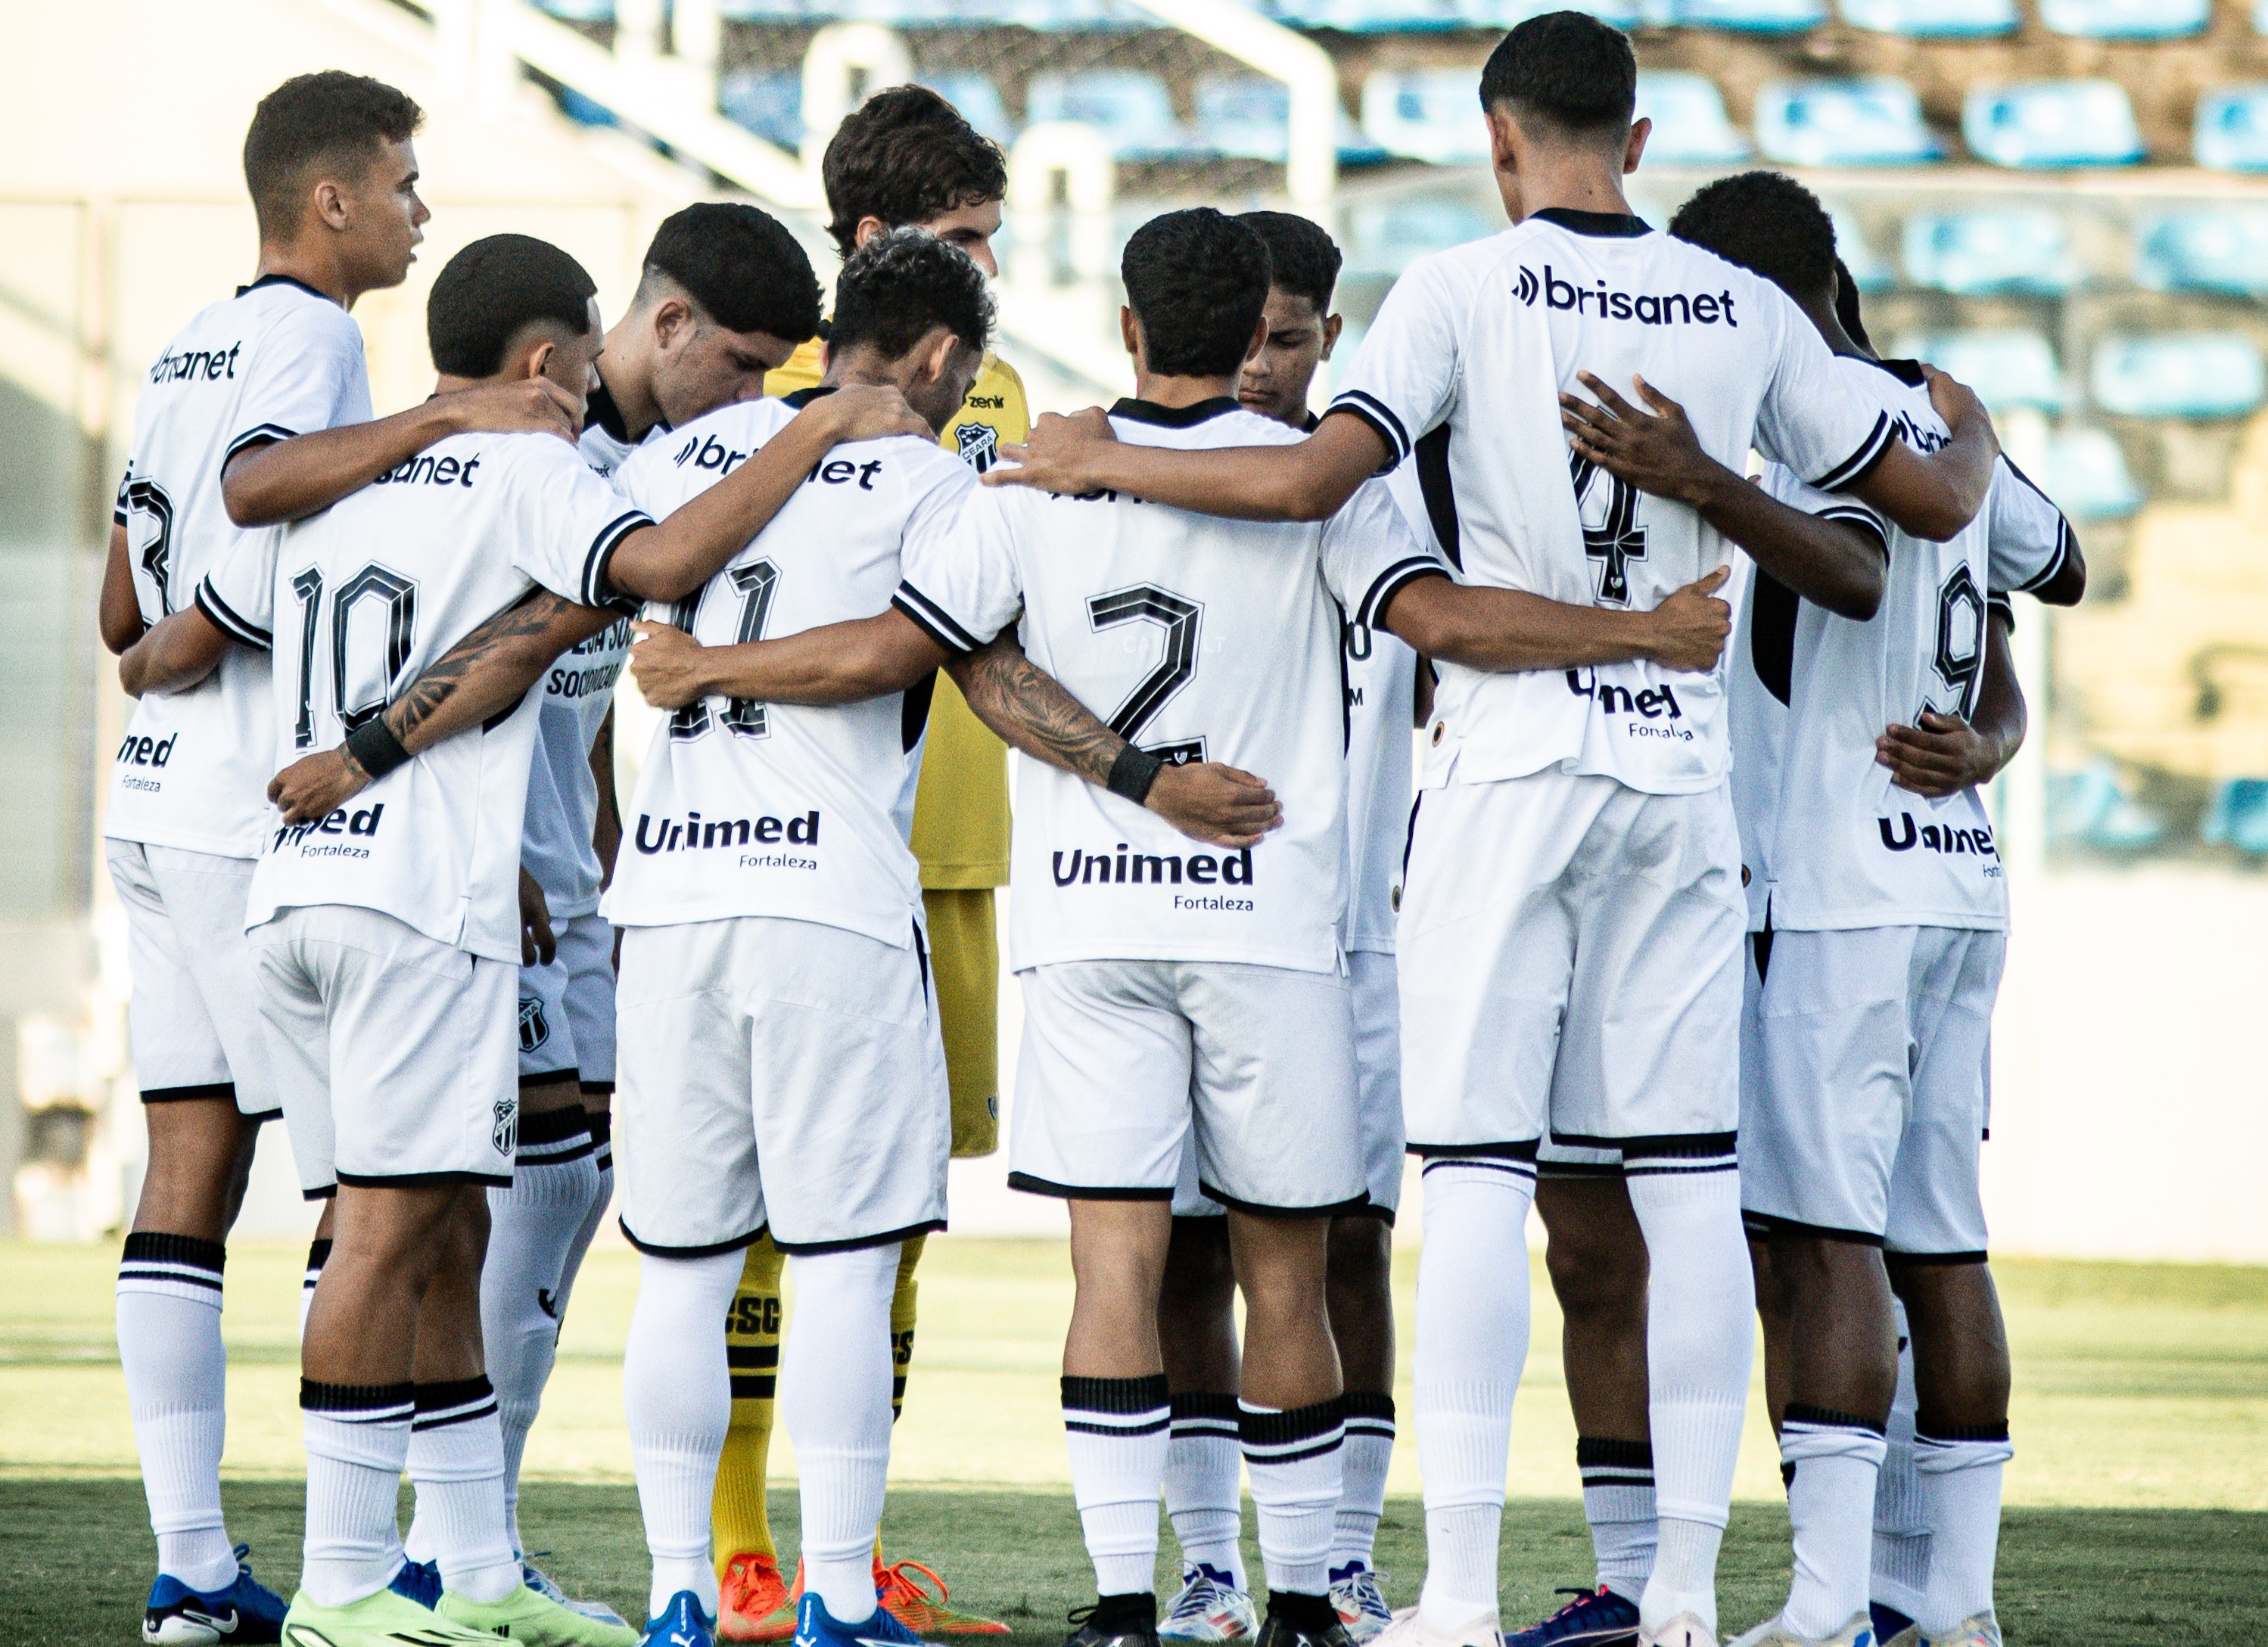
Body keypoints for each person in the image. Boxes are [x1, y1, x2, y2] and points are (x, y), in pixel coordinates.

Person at [983, 18, 2005, 1647]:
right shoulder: (1740, 305)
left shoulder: (1458, 288)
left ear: (1497, 137)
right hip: (1677, 783)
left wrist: (1101, 453)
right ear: (1642, 138)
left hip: (1511, 774)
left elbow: (1323, 483)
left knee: (1470, 1173)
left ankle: (1454, 1591)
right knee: (1682, 1181)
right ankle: (1680, 1593)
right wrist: (1962, 430)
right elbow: (1932, 512)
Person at [629, 201, 1759, 1647]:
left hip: (1083, 918)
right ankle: (1301, 1595)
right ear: (1258, 341)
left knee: (1113, 1262)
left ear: (1124, 328)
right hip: (1269, 917)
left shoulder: (1024, 483)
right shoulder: (1320, 487)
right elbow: (1451, 625)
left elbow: (971, 667)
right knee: (1290, 1263)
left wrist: (1126, 778)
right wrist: (1642, 633)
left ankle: (1120, 1603)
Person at [191, 229, 881, 1647]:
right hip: (422, 892)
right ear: (557, 360)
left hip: (313, 882)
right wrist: (819, 432)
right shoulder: (538, 465)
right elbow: (656, 562)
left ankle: (472, 1560)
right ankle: (341, 1580)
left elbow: (216, 599)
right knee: (391, 1230)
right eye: (743, 368)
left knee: (442, 1220)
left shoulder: (348, 470)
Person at [601, 230, 1246, 1647]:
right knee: (840, 1262)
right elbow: (940, 661)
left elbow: (618, 604)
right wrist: (1144, 777)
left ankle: (675, 1596)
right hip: (826, 901)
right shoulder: (931, 479)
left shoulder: (683, 462)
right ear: (947, 360)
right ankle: (833, 1594)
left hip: (666, 907)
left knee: (685, 1267)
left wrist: (693, 663)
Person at [1558, 173, 2083, 1647]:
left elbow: (1852, 579)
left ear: (1763, 303)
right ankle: (1955, 1604)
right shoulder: (1940, 417)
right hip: (1959, 881)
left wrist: (1711, 478)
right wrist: (1987, 733)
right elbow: (2056, 565)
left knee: (1816, 1242)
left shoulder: (1800, 429)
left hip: (1834, 890)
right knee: (1939, 1239)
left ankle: (1828, 1602)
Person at [97, 69, 574, 1647]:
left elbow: (123, 613)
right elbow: (261, 524)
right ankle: (382, 1575)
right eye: (403, 183)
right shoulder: (315, 340)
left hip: (151, 801)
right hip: (267, 811)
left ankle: (198, 1572)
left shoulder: (183, 338)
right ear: (331, 199)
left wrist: (164, 650)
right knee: (387, 1204)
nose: (419, 212)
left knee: (188, 1186)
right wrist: (441, 412)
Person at [400, 200, 826, 1627]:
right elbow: (462, 652)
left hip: (578, 895)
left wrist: (594, 840)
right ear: (664, 326)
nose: (755, 397)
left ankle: (477, 1532)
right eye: (744, 363)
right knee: (455, 1210)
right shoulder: (543, 456)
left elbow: (581, 704)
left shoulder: (649, 465)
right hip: (470, 886)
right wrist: (488, 844)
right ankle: (434, 1544)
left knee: (569, 1191)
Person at [717, 87, 1028, 1639]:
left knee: (894, 1217)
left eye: (992, 235)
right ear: (873, 246)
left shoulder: (1008, 393)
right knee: (764, 1221)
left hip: (953, 857)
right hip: (793, 854)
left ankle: (851, 1549)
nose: (989, 271)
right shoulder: (766, 397)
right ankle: (736, 1546)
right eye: (962, 242)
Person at [1153, 210, 1409, 1647]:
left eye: (1290, 338)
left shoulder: (1377, 495)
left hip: (1348, 934)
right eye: (1243, 335)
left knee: (1347, 1244)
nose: (1261, 364)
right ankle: (1204, 1562)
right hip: (1179, 916)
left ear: (1327, 338)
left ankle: (1347, 1551)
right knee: (1187, 1249)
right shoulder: (1137, 475)